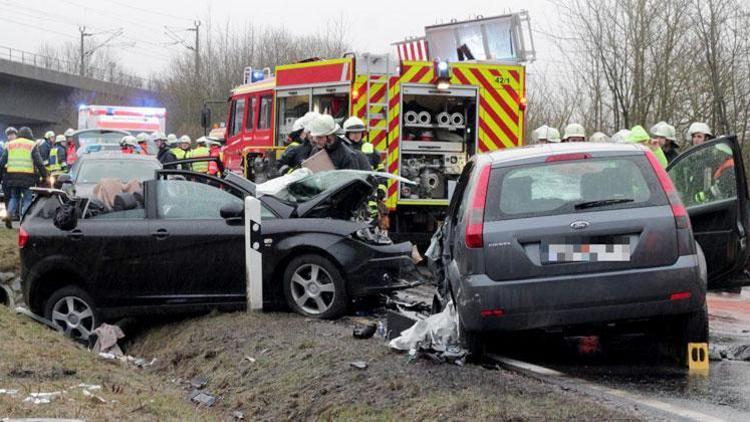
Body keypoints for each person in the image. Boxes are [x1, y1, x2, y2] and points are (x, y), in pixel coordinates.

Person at [0, 127, 48, 228]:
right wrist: (45, 176)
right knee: (27, 199)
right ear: (30, 135)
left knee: (14, 197)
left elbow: (2, 161)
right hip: (28, 177)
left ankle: (9, 214)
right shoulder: (31, 145)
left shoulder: (10, 145)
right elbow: (39, 162)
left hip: (12, 176)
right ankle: (25, 221)